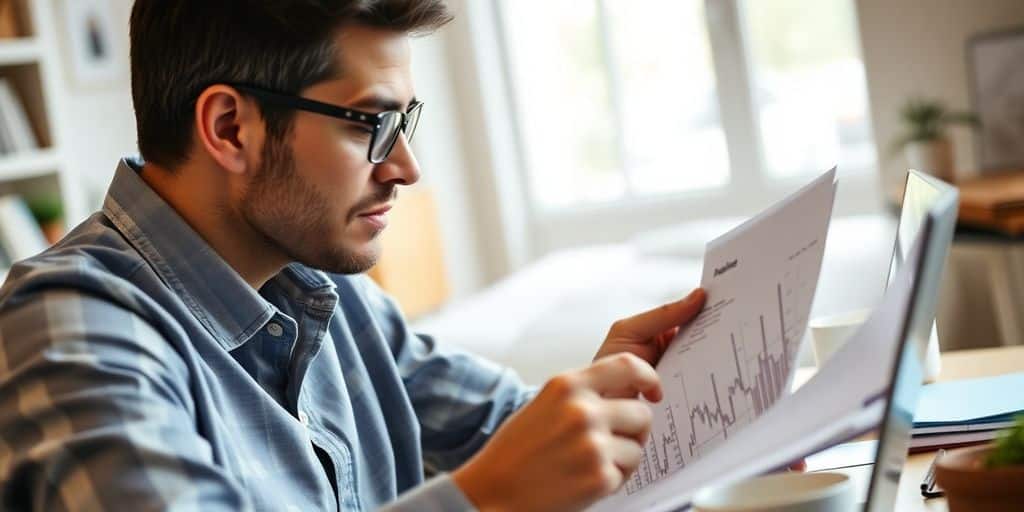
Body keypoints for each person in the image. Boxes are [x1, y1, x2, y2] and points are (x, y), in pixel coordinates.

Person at [0, 1, 707, 510]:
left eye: (405, 122)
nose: (406, 166)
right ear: (229, 128)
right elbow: (506, 479)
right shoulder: (72, 332)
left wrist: (622, 406)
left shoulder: (317, 288)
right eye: (372, 124)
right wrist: (483, 500)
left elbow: (514, 434)